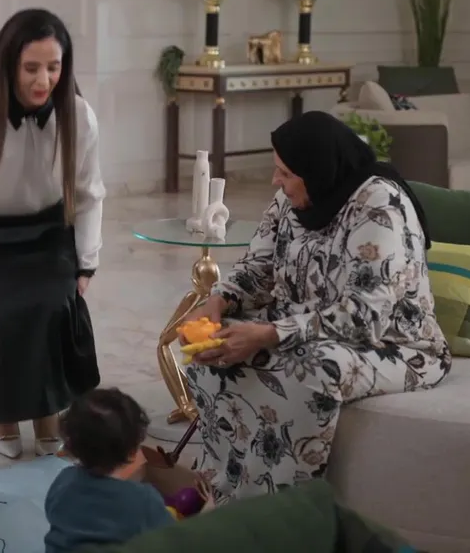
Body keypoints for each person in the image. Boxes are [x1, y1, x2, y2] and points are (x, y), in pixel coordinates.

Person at [180, 111, 451, 502]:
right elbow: (258, 267)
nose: (276, 181)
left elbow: (365, 315)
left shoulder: (379, 206)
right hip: (307, 327)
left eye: (286, 173)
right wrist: (218, 301)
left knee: (310, 367)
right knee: (214, 346)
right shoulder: (290, 200)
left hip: (393, 346)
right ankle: (223, 493)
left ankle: (283, 507)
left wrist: (270, 334)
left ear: (319, 170)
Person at [0, 7, 104, 459]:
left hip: (49, 236)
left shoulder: (78, 116)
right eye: (31, 68)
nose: (43, 80)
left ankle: (49, 413)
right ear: (7, 64)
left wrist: (86, 261)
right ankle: (2, 417)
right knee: (1, 315)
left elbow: (89, 195)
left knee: (53, 307)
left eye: (54, 67)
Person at [44, 388, 175, 552]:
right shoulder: (143, 499)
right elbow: (172, 539)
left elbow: (53, 515)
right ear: (133, 449)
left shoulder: (63, 481)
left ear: (70, 445)